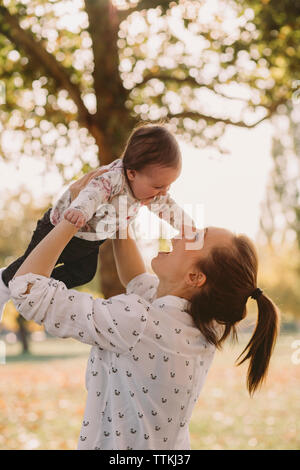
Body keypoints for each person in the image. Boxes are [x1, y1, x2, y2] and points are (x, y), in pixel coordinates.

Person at [8, 193, 280, 450]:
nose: (180, 234)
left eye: (195, 238)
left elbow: (28, 290)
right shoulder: (204, 321)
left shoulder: (138, 321)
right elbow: (138, 282)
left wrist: (75, 214)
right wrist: (122, 213)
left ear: (196, 278)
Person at [0, 122, 195, 320]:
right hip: (58, 228)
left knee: (84, 273)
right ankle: (4, 283)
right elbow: (92, 194)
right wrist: (80, 210)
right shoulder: (112, 179)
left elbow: (169, 207)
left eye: (168, 186)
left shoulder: (149, 192)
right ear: (132, 173)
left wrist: (186, 225)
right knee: (29, 266)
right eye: (159, 186)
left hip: (90, 239)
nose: (163, 192)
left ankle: (36, 288)